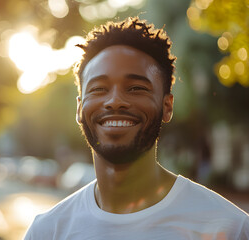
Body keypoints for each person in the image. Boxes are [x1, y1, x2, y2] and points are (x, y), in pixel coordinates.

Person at [24, 17, 249, 240]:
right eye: (99, 88)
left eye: (135, 88)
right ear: (80, 108)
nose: (115, 101)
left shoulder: (230, 229)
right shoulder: (47, 232)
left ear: (167, 106)